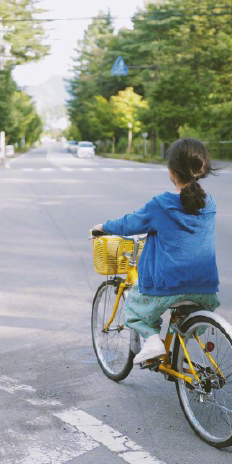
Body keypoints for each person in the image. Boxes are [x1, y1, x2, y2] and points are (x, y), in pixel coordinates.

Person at [91, 138, 220, 364]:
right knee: (183, 313)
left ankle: (152, 341)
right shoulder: (209, 203)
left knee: (133, 307)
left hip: (168, 285)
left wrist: (102, 226)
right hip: (206, 287)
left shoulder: (161, 204)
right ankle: (180, 354)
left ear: (172, 171)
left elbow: (130, 223)